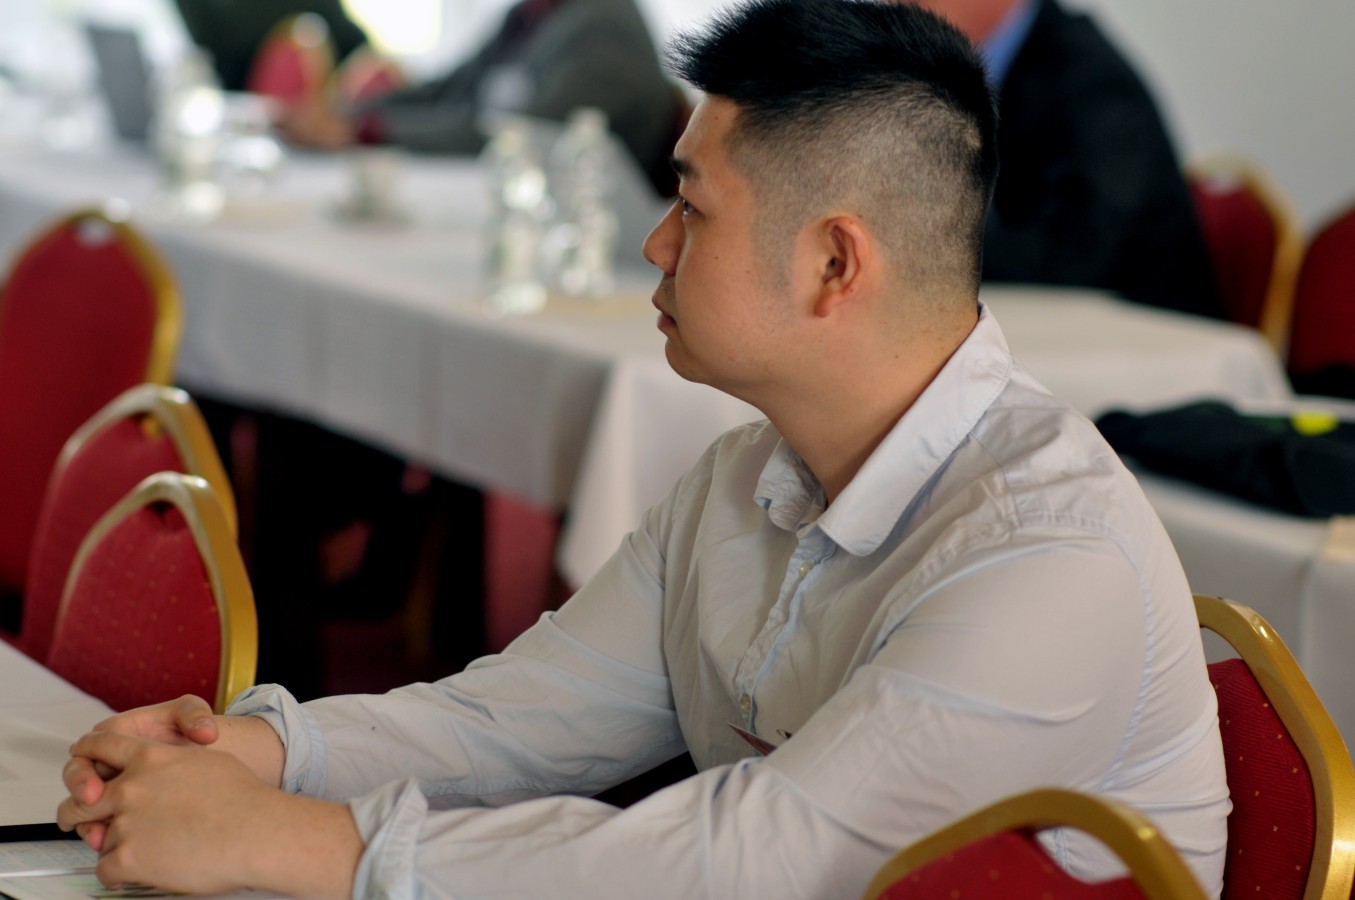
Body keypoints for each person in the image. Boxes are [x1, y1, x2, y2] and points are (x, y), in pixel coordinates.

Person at [57, 1, 1230, 896]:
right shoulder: (747, 475)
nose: (655, 247)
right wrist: (258, 752)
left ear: (833, 264)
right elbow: (513, 720)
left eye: (693, 209)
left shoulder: (1041, 554)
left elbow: (762, 861)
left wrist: (296, 841)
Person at [914, 0, 1223, 319]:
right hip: (1046, 327)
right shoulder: (941, 77)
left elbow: (1077, 256)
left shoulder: (1097, 83)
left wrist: (914, 246)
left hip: (1154, 336)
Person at [279, 0, 686, 198]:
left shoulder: (604, 27)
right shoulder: (536, 13)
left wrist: (366, 130)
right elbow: (447, 91)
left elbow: (523, 136)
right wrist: (344, 114)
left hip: (594, 240)